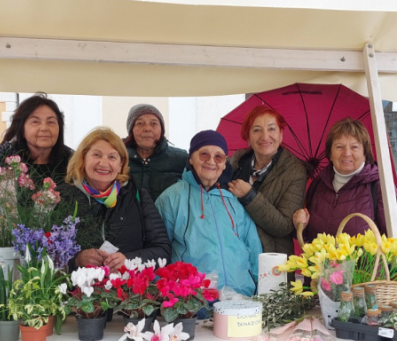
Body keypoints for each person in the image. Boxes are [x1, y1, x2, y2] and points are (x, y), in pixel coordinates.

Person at [156, 130, 263, 297]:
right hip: (192, 302)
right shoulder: (171, 198)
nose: (211, 161)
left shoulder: (233, 199)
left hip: (240, 298)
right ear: (191, 158)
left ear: (224, 163)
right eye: (204, 154)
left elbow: (253, 247)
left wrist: (261, 288)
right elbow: (158, 250)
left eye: (219, 157)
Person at [60, 127, 171, 272]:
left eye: (112, 157)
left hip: (127, 291)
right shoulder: (62, 198)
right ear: (83, 158)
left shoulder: (138, 196)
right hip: (77, 292)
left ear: (121, 164)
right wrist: (77, 260)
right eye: (97, 155)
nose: (104, 163)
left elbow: (163, 250)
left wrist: (129, 260)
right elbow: (44, 253)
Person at [293, 117, 397, 242]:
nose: (347, 153)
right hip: (322, 262)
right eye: (339, 147)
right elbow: (309, 240)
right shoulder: (318, 184)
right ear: (330, 154)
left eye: (354, 147)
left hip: (366, 262)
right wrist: (301, 226)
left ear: (365, 153)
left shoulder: (379, 187)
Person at [228, 106, 307, 255]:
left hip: (272, 260)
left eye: (271, 129)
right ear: (248, 137)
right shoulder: (234, 164)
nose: (265, 136)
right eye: (257, 130)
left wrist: (249, 196)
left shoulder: (295, 171)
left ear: (281, 135)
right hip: (235, 255)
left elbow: (284, 226)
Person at [0, 93, 73, 185]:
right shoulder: (4, 165)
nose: (44, 128)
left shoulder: (74, 164)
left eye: (51, 122)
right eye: (35, 122)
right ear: (21, 129)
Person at [124, 104, 188, 201]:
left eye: (153, 123)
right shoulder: (118, 158)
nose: (147, 128)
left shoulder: (181, 159)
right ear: (131, 130)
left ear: (161, 130)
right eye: (140, 123)